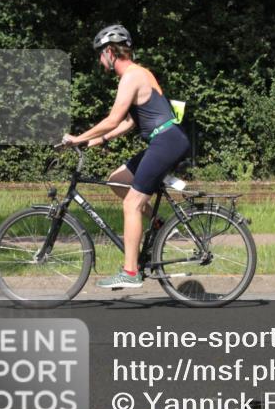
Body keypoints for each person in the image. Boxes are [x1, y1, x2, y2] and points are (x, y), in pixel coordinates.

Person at [62, 24, 190, 288]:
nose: (99, 61)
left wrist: (78, 138)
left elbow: (112, 119)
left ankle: (130, 272)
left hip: (166, 141)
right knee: (118, 180)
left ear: (111, 52)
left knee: (131, 204)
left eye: (100, 54)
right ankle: (158, 224)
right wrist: (98, 140)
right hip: (165, 140)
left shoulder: (132, 76)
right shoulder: (138, 75)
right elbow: (130, 122)